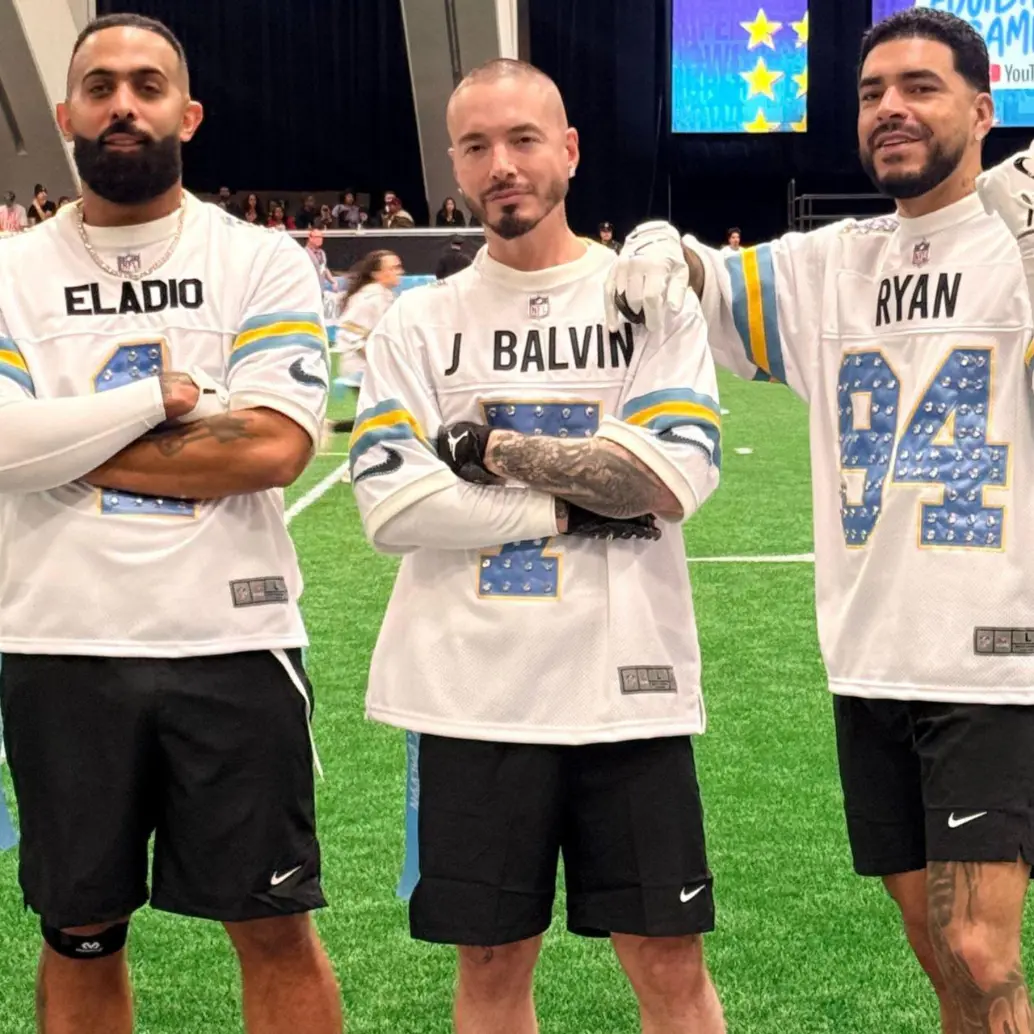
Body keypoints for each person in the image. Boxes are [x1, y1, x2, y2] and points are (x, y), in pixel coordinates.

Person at [608, 9, 1034, 1032]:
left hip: (993, 654)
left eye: (918, 87)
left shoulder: (1016, 239)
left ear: (981, 108)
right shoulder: (827, 262)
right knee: (939, 949)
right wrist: (661, 239)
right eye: (870, 91)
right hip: (868, 651)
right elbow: (709, 282)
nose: (889, 107)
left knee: (980, 946)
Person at [351, 58, 725, 1034]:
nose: (500, 164)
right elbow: (392, 507)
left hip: (626, 686)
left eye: (522, 139)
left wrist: (483, 451)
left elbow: (663, 480)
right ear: (453, 164)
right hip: (471, 692)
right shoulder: (416, 320)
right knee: (487, 962)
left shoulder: (642, 299)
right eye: (476, 146)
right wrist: (567, 509)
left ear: (567, 149)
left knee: (666, 962)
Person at [0, 14, 342, 1034]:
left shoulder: (260, 260)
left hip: (229, 639)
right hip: (60, 637)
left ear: (186, 112)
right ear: (64, 113)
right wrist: (161, 400)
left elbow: (270, 447)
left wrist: (46, 441)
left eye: (146, 85)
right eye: (98, 86)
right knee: (78, 927)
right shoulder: (11, 272)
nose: (121, 104)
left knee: (273, 926)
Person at [323, 248, 402, 445]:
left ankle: (333, 426)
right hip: (360, 367)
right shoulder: (369, 298)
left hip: (373, 366)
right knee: (377, 416)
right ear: (377, 274)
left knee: (379, 416)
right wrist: (374, 358)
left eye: (398, 267)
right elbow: (350, 333)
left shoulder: (385, 296)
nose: (399, 272)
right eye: (393, 268)